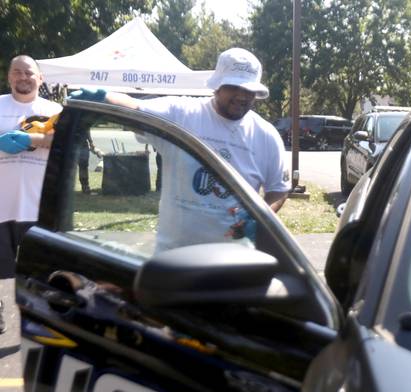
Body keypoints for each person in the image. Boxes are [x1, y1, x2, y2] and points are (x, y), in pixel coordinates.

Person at [70, 48, 290, 252]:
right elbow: (136, 107)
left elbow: (279, 189)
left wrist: (262, 217)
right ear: (217, 85)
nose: (242, 96)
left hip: (234, 258)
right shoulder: (182, 113)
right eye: (234, 87)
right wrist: (103, 97)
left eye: (249, 89)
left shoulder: (266, 135)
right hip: (174, 258)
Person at [0, 55, 62, 332]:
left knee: (37, 267)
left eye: (28, 73)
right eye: (17, 72)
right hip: (1, 202)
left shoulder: (55, 109)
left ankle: (36, 316)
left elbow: (65, 143)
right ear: (9, 77)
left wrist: (34, 139)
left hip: (39, 204)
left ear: (40, 78)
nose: (23, 77)